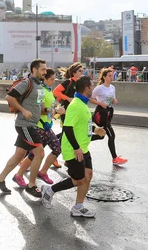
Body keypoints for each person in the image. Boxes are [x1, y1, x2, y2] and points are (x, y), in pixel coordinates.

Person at [41, 76, 107, 217]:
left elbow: (84, 125)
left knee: (88, 176)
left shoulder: (83, 104)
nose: (94, 88)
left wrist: (96, 131)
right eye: (92, 86)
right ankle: (49, 191)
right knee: (78, 180)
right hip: (73, 149)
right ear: (87, 88)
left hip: (83, 148)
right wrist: (76, 148)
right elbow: (68, 129)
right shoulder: (76, 105)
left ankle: (78, 206)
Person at [0, 59, 48, 197]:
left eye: (46, 70)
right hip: (25, 125)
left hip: (32, 125)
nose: (45, 72)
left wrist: (51, 110)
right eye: (43, 69)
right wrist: (23, 110)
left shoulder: (40, 87)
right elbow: (10, 97)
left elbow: (40, 108)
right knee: (39, 153)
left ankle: (0, 179)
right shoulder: (27, 83)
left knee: (19, 155)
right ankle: (31, 185)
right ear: (34, 70)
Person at [12, 68, 66, 187]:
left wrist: (57, 110)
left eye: (54, 79)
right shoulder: (41, 91)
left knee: (34, 154)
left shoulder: (48, 90)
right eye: (51, 79)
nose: (53, 81)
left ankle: (20, 175)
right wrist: (55, 110)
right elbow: (39, 110)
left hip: (46, 126)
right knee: (54, 148)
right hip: (39, 126)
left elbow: (51, 108)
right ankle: (38, 175)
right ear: (45, 79)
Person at [89, 68, 127, 166]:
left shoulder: (112, 87)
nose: (111, 78)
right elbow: (91, 99)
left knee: (101, 136)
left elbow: (113, 98)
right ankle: (115, 158)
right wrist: (100, 103)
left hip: (109, 112)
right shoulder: (99, 88)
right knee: (111, 135)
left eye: (112, 76)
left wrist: (114, 100)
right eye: (109, 76)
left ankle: (83, 139)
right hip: (101, 113)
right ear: (104, 77)